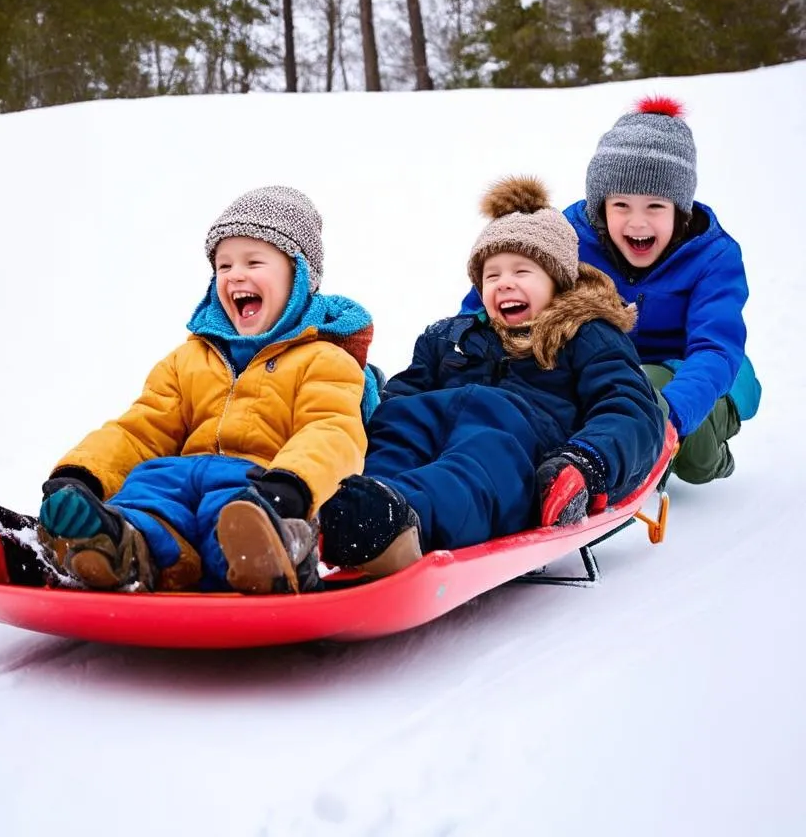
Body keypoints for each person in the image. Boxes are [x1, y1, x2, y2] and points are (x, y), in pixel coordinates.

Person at [0, 185, 378, 595]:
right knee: (145, 493)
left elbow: (333, 431)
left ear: (300, 278)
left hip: (258, 482)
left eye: (254, 261)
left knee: (234, 516)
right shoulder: (189, 359)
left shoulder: (325, 359)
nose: (235, 275)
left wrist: (292, 485)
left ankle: (261, 557)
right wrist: (83, 472)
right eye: (223, 264)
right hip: (178, 475)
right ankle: (115, 546)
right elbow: (141, 430)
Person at [319, 176, 665, 578]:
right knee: (397, 432)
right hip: (433, 423)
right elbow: (402, 395)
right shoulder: (450, 337)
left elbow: (629, 409)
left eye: (522, 270)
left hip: (517, 444)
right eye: (491, 275)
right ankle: (332, 519)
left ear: (557, 281)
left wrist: (585, 462)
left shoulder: (585, 334)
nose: (504, 283)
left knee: (479, 456)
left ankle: (397, 522)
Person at [460, 96, 760, 484]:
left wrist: (666, 418)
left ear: (679, 210)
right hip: (597, 367)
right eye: (621, 205)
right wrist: (465, 338)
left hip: (687, 375)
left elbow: (715, 349)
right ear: (601, 207)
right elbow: (502, 285)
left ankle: (704, 455)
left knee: (672, 428)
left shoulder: (713, 256)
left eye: (655, 206)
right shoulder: (568, 235)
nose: (637, 222)